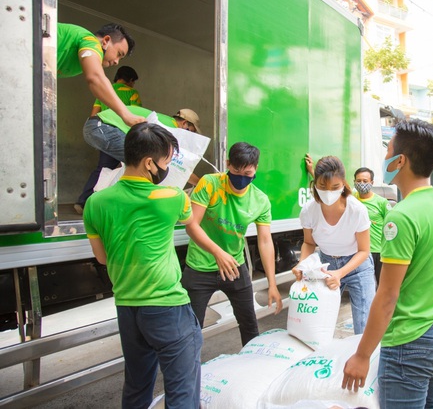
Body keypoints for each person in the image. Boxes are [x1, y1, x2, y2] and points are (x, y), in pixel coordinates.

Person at [83, 123, 202, 408]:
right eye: (167, 162)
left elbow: (101, 258)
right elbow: (189, 219)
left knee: (137, 387)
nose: (167, 168)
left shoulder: (95, 202)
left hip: (127, 307)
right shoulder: (172, 197)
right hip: (167, 305)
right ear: (150, 163)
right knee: (181, 392)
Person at [342, 119, 433, 408]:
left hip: (410, 342)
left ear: (400, 160)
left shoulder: (401, 216)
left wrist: (362, 355)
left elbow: (387, 297)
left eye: (388, 151)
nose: (385, 158)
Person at [181, 142, 283, 345]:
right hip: (200, 266)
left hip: (235, 268)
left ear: (255, 169)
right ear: (228, 164)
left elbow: (264, 241)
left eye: (247, 173)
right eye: (235, 171)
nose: (241, 177)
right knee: (189, 332)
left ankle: (250, 368)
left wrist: (272, 283)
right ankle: (188, 376)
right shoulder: (209, 183)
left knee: (249, 326)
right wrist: (218, 253)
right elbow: (192, 226)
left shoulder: (260, 200)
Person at [293, 156, 376, 335]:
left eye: (335, 187)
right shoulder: (309, 210)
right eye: (323, 187)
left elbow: (364, 250)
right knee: (318, 323)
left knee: (364, 326)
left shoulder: (357, 210)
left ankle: (364, 361)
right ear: (315, 184)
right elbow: (309, 243)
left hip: (357, 268)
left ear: (344, 184)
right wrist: (301, 265)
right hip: (326, 266)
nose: (328, 192)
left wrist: (340, 273)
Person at [75, 66, 144, 214]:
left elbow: (94, 114)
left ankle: (83, 201)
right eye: (133, 82)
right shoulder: (132, 93)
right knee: (134, 165)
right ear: (131, 80)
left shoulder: (105, 91)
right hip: (120, 134)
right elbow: (136, 115)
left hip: (103, 132)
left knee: (103, 168)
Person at [57, 23, 145, 127]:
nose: (117, 62)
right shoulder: (90, 41)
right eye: (119, 54)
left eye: (120, 59)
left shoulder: (80, 59)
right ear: (106, 41)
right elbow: (96, 78)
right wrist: (127, 116)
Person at [353, 167, 392, 285]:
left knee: (382, 286)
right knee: (364, 286)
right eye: (358, 181)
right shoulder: (351, 199)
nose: (361, 184)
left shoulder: (381, 202)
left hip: (379, 251)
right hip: (360, 252)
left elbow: (391, 225)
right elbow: (332, 188)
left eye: (365, 181)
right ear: (354, 182)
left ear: (372, 183)